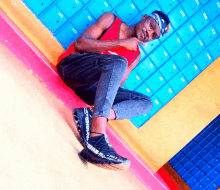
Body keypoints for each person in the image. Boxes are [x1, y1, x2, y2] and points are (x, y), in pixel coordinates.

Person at [56, 10, 170, 170]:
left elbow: (113, 88)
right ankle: (96, 137)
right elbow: (80, 44)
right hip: (71, 68)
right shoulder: (111, 20)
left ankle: (91, 114)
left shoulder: (135, 55)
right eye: (151, 25)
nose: (149, 33)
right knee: (119, 62)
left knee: (146, 103)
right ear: (144, 17)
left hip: (89, 90)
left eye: (154, 35)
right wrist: (120, 43)